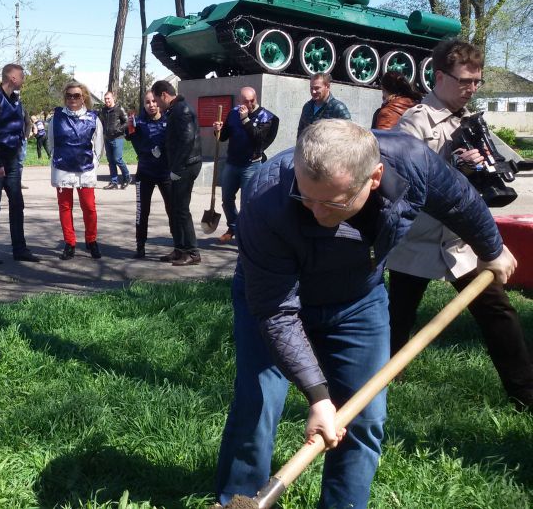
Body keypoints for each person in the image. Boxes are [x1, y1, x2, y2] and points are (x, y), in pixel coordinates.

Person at [214, 119, 516, 509]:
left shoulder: (412, 162)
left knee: (364, 418)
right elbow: (276, 311)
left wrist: (491, 249)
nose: (317, 210)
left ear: (374, 178)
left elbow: (459, 200)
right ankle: (237, 497)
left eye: (333, 202)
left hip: (357, 301)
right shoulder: (266, 196)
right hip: (272, 300)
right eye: (306, 198)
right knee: (258, 402)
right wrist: (319, 397)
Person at [387, 38, 533, 410]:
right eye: (465, 81)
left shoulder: (472, 122)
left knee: (498, 312)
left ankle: (524, 395)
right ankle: (384, 383)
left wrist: (483, 167)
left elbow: (498, 173)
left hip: (460, 242)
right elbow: (407, 181)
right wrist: (451, 165)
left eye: (477, 82)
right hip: (417, 240)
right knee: (396, 317)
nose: (472, 89)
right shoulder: (414, 121)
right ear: (439, 76)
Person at [0, 63, 38, 263]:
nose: (24, 79)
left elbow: (23, 123)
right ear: (12, 78)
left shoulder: (16, 100)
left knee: (17, 203)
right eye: (22, 76)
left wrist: (21, 141)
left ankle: (19, 249)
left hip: (12, 161)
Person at [211, 86, 279, 243]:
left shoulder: (266, 117)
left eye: (252, 101)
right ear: (240, 100)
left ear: (256, 98)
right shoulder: (234, 113)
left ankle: (247, 234)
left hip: (252, 165)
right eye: (245, 101)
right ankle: (234, 227)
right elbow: (223, 137)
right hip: (232, 163)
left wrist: (246, 119)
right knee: (226, 199)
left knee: (247, 202)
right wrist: (218, 130)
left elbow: (259, 139)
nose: (248, 104)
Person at [46, 80, 104, 260]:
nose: (72, 98)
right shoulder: (57, 117)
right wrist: (55, 159)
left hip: (85, 169)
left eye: (76, 95)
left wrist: (93, 163)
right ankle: (69, 242)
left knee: (89, 207)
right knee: (65, 207)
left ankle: (91, 240)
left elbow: (99, 145)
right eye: (69, 95)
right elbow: (51, 142)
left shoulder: (93, 118)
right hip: (62, 168)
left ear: (83, 97)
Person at [151, 80, 203, 266]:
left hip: (186, 166)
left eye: (157, 99)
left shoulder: (182, 110)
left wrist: (177, 168)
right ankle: (180, 249)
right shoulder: (175, 110)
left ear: (164, 94)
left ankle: (193, 253)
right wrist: (162, 150)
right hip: (181, 165)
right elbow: (175, 137)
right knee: (175, 209)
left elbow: (187, 140)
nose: (157, 104)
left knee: (181, 210)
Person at [127, 90, 172, 259]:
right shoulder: (138, 121)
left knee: (172, 209)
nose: (152, 105)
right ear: (143, 104)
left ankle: (179, 245)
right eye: (147, 102)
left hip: (165, 173)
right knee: (142, 210)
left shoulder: (169, 119)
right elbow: (128, 136)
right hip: (145, 172)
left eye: (154, 101)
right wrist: (129, 127)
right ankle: (140, 245)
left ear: (159, 102)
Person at [100, 90, 131, 190]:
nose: (107, 100)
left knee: (118, 159)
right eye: (105, 99)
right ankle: (114, 182)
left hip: (118, 138)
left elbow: (127, 122)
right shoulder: (103, 110)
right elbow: (101, 121)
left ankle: (127, 177)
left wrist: (119, 130)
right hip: (107, 138)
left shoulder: (119, 109)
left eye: (108, 98)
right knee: (111, 161)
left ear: (113, 99)